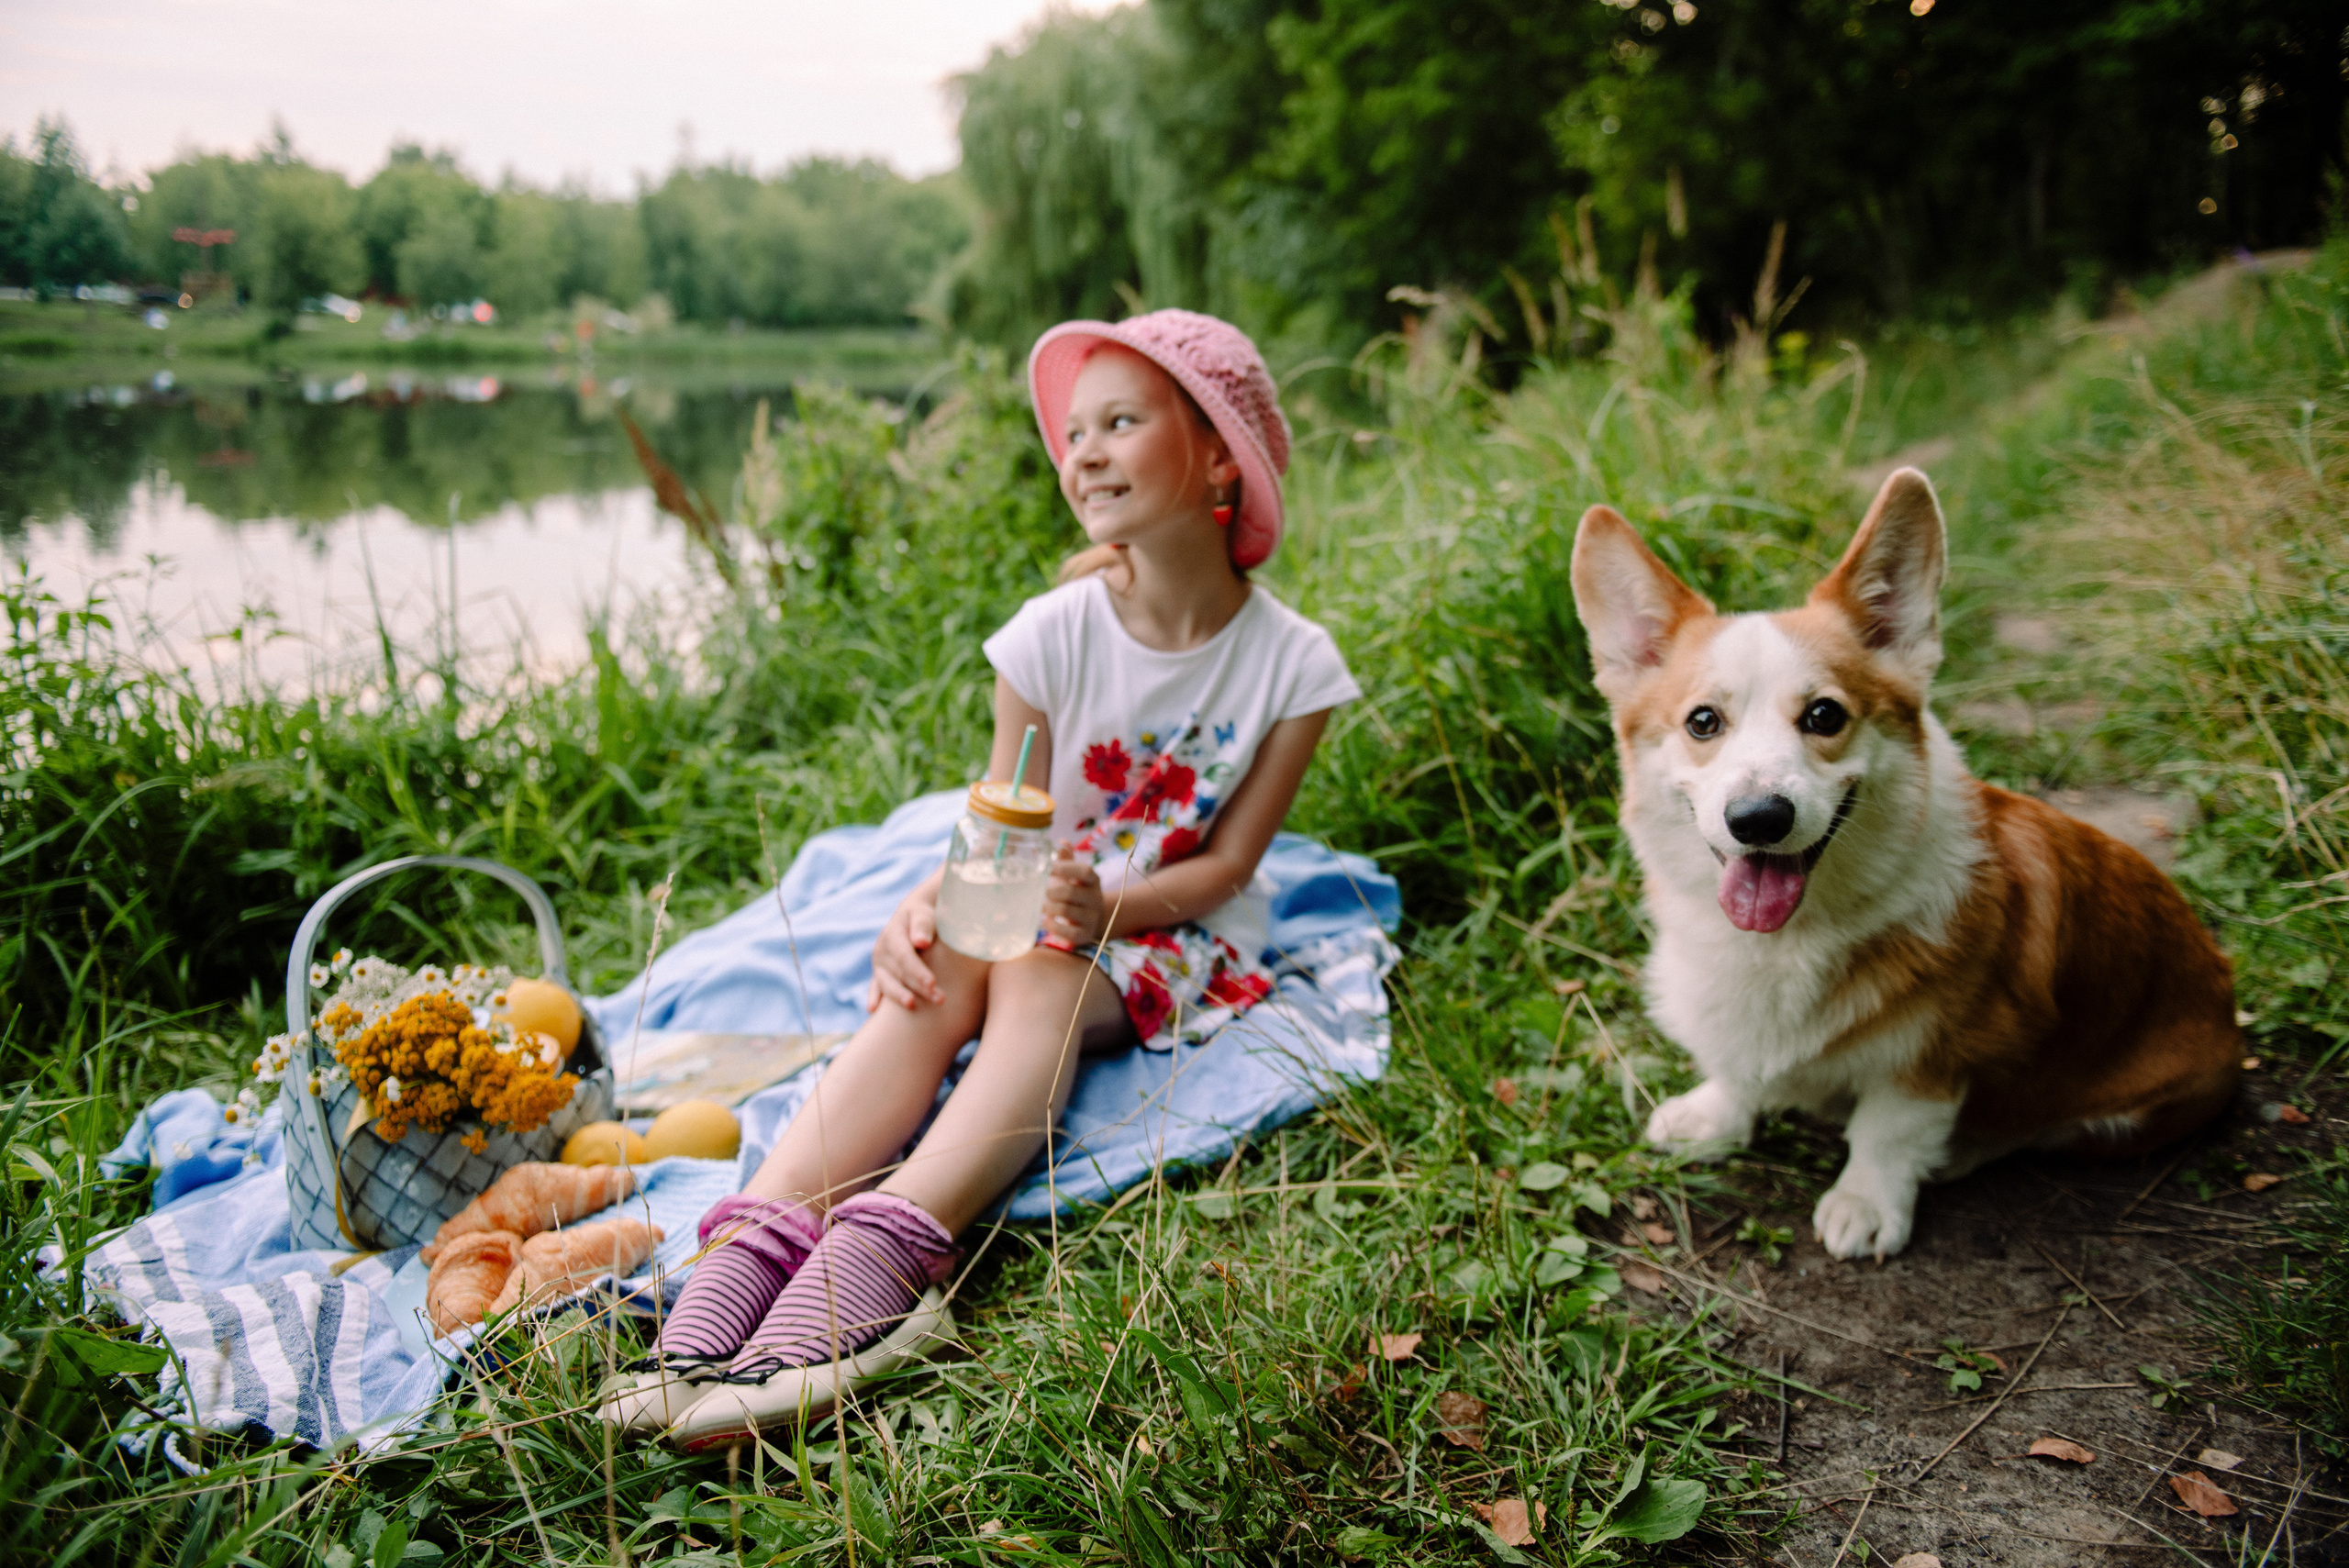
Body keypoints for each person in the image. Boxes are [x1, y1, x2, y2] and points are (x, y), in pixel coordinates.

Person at [605, 310, 1359, 1430]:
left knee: (1044, 962)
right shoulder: (1047, 636)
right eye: (1071, 432)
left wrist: (1107, 902)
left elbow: (1233, 862)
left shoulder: (1292, 662)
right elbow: (1002, 823)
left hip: (1167, 927)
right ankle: (762, 1228)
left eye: (1119, 421)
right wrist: (929, 905)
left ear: (1215, 454)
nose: (1083, 451)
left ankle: (897, 1239)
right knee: (939, 967)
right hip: (1046, 891)